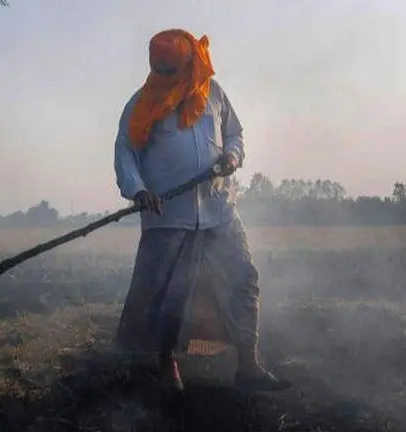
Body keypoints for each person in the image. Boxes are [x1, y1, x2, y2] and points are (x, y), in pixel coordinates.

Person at [113, 29, 291, 392]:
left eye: (172, 70)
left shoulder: (213, 94)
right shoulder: (142, 104)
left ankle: (249, 367)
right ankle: (167, 366)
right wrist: (139, 190)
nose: (166, 78)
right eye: (160, 70)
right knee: (168, 293)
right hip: (167, 216)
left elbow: (235, 134)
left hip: (219, 209)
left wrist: (232, 156)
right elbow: (125, 154)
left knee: (243, 280)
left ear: (190, 63)